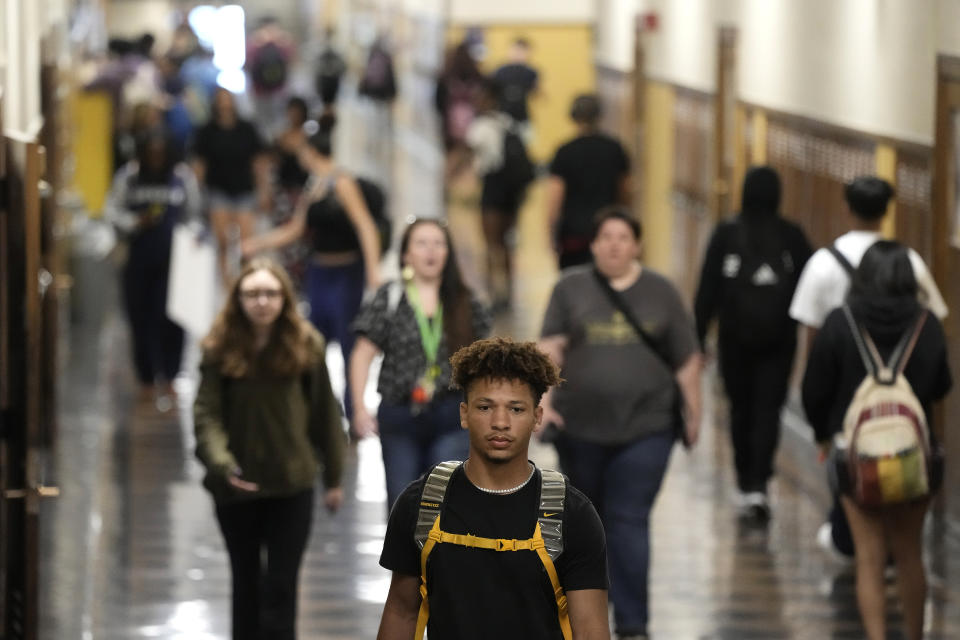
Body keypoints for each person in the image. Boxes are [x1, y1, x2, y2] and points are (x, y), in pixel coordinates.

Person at [376, 337, 611, 640]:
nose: (500, 422)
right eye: (485, 407)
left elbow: (591, 632)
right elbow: (401, 611)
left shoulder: (572, 515)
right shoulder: (421, 505)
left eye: (516, 409)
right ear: (464, 414)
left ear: (536, 418)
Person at [538, 207, 702, 640]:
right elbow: (551, 347)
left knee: (628, 519)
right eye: (605, 237)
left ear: (637, 245)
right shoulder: (570, 288)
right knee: (587, 523)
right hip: (580, 428)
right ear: (593, 245)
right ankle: (588, 616)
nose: (614, 245)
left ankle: (632, 624)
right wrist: (544, 402)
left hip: (648, 426)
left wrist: (695, 413)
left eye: (623, 237)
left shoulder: (661, 292)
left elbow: (687, 359)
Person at [789, 175, 948, 558]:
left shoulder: (823, 262)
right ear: (888, 210)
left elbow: (811, 336)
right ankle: (886, 558)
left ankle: (861, 555)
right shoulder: (909, 261)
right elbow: (936, 319)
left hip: (844, 398)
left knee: (853, 485)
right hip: (904, 398)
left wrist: (818, 413)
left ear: (846, 207)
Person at [801, 241, 951, 640]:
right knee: (908, 555)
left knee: (869, 558)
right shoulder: (928, 324)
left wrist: (821, 433)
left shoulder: (840, 321)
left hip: (857, 459)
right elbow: (942, 385)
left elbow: (814, 388)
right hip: (913, 458)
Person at [194, 258, 346, 640]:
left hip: (291, 485)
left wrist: (334, 477)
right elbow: (206, 415)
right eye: (252, 294)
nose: (262, 302)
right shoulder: (219, 347)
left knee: (282, 584)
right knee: (245, 581)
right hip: (236, 485)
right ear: (238, 299)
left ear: (284, 298)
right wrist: (221, 464)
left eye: (270, 293)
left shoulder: (306, 345)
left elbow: (326, 414)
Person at [243, 114, 381, 420]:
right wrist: (258, 244)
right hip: (318, 273)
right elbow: (295, 228)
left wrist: (373, 271)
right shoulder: (314, 185)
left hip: (346, 274)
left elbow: (365, 226)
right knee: (311, 342)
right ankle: (315, 411)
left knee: (347, 344)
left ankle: (352, 411)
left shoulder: (341, 182)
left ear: (311, 151)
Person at [693, 166, 812, 520]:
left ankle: (746, 482)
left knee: (740, 408)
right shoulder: (792, 235)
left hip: (734, 340)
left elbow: (707, 290)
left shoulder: (726, 233)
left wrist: (699, 338)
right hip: (780, 341)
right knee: (768, 410)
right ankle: (760, 483)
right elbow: (811, 284)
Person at [349, 218, 492, 510]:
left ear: (448, 253)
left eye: (439, 244)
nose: (431, 251)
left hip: (452, 415)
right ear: (406, 255)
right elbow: (362, 354)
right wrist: (360, 409)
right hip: (400, 415)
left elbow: (486, 360)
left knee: (446, 503)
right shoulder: (390, 297)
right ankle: (407, 557)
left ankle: (441, 556)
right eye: (422, 243)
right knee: (403, 504)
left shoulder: (464, 300)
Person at [104, 128, 201, 409]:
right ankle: (146, 378)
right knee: (140, 318)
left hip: (175, 263)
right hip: (138, 260)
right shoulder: (129, 177)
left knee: (172, 319)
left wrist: (189, 237)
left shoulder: (182, 178)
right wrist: (136, 222)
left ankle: (171, 377)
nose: (156, 158)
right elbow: (112, 211)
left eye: (161, 153)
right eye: (151, 153)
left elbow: (194, 215)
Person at [191, 87, 271, 285]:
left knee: (246, 242)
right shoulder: (207, 130)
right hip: (218, 189)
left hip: (244, 189)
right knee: (223, 242)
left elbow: (259, 161)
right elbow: (200, 164)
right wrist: (196, 194)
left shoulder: (247, 128)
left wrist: (264, 190)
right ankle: (227, 282)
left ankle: (246, 277)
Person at [466, 77, 533, 310]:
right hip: (512, 190)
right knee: (505, 243)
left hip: (492, 187)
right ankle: (510, 292)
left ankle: (492, 293)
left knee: (489, 243)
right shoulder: (509, 122)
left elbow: (469, 152)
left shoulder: (481, 126)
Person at [546, 94, 631, 269]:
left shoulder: (565, 152)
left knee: (575, 285)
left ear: (573, 117)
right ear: (599, 116)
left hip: (573, 236)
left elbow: (555, 197)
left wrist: (550, 235)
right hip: (607, 231)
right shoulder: (615, 149)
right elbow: (625, 193)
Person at [435, 42, 483, 176]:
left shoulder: (446, 76)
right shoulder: (476, 77)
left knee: (451, 161)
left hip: (450, 126)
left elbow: (438, 103)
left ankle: (449, 189)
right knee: (470, 162)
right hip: (473, 125)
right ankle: (469, 192)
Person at [492, 37, 539, 135]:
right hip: (503, 117)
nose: (518, 54)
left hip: (522, 117)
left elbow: (536, 92)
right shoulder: (501, 72)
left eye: (522, 51)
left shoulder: (530, 73)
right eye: (516, 50)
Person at [315, 28, 347, 113]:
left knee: (331, 101)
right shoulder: (321, 47)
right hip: (325, 79)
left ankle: (329, 117)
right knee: (326, 101)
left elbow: (342, 66)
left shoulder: (336, 47)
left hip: (332, 79)